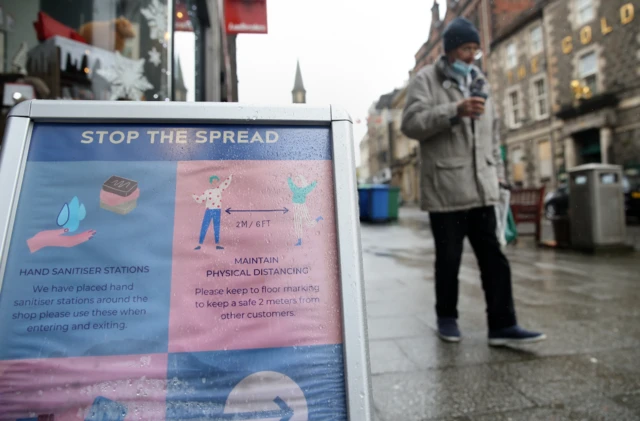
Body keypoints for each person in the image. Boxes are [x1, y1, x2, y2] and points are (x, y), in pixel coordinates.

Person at [401, 17, 545, 346]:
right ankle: (447, 318)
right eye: (466, 48)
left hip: (482, 188)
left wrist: (498, 175)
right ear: (450, 49)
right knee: (448, 259)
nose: (471, 56)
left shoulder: (480, 81)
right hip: (446, 190)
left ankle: (503, 325)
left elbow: (493, 134)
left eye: (475, 50)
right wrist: (454, 110)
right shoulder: (426, 79)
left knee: (494, 258)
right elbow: (410, 124)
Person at [192, 174, 232, 250]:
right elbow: (200, 200)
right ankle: (200, 244)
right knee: (204, 226)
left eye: (216, 181)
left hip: (217, 210)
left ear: (217, 182)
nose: (215, 183)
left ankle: (217, 245)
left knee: (216, 227)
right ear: (211, 182)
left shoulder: (219, 189)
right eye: (213, 181)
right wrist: (193, 195)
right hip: (209, 210)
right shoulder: (207, 192)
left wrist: (231, 176)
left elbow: (225, 183)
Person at [287, 175, 323, 246]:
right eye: (297, 181)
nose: (297, 182)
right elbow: (291, 185)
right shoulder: (295, 188)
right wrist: (289, 179)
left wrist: (314, 183)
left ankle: (318, 218)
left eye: (299, 181)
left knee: (308, 223)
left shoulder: (303, 190)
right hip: (296, 207)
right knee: (297, 223)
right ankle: (299, 240)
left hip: (302, 207)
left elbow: (309, 188)